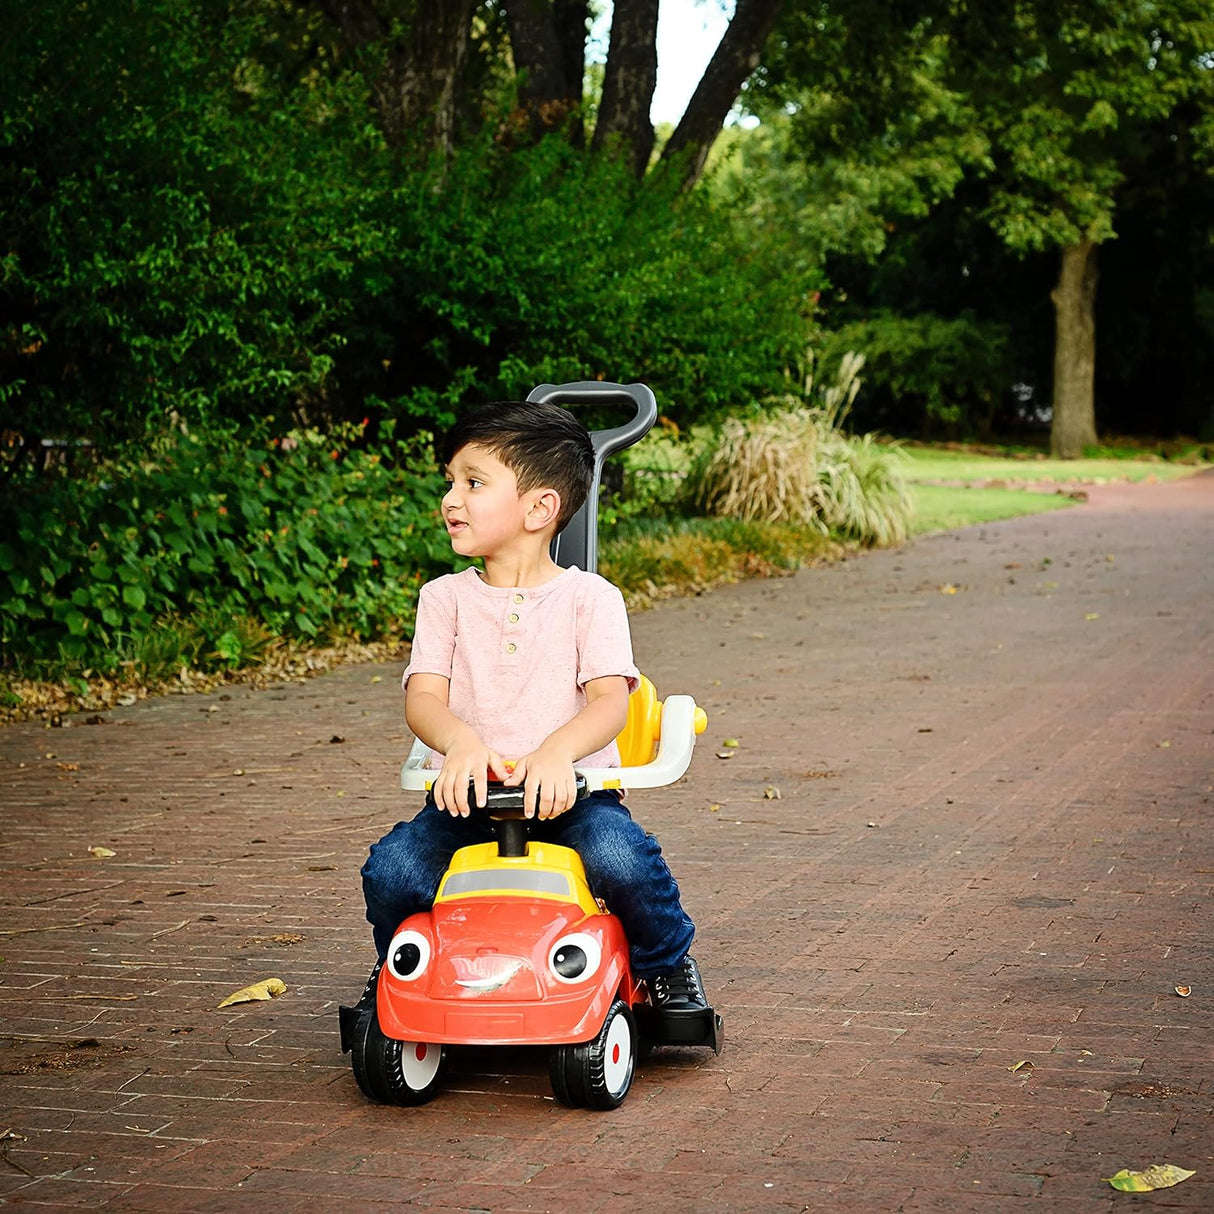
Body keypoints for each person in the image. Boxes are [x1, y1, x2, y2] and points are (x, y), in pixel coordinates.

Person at [356, 400, 710, 1020]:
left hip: (575, 797)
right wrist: (461, 743)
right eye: (450, 482)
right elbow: (423, 698)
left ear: (540, 509)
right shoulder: (443, 600)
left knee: (620, 859)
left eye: (473, 482)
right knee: (393, 868)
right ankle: (401, 967)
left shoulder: (590, 600)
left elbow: (610, 702)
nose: (451, 499)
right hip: (469, 800)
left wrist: (556, 752)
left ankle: (666, 963)